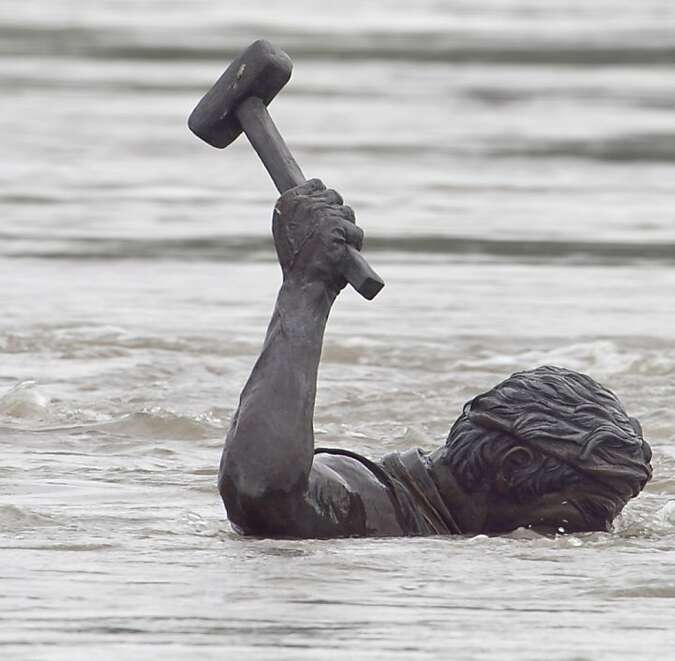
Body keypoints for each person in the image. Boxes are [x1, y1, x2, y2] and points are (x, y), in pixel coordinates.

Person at [218, 179, 653, 538]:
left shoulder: (435, 524)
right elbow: (261, 491)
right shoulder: (364, 503)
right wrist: (307, 288)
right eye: (593, 511)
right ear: (513, 467)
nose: (602, 532)